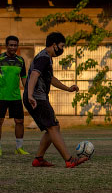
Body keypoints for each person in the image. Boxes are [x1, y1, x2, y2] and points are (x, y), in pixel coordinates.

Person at [23, 31, 89, 168]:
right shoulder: (44, 58)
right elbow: (34, 75)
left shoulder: (46, 58)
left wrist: (68, 88)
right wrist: (30, 95)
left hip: (37, 97)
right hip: (37, 98)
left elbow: (51, 79)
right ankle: (69, 160)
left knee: (52, 127)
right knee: (53, 127)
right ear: (54, 45)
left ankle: (39, 159)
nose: (62, 49)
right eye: (62, 46)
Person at [0, 35, 29, 156]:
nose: (13, 47)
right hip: (1, 96)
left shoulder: (20, 61)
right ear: (6, 46)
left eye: (15, 45)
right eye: (11, 45)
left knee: (20, 121)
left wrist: (27, 92)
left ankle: (19, 148)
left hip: (15, 96)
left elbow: (23, 78)